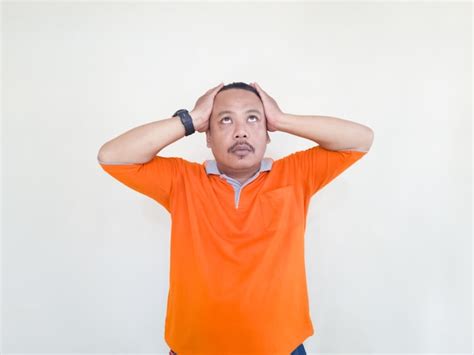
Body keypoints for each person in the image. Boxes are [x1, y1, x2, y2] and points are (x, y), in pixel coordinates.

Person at [97, 82, 374, 355]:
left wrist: (281, 118)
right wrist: (190, 119)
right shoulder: (182, 181)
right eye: (226, 120)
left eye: (253, 119)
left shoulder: (296, 175)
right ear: (207, 135)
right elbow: (112, 156)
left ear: (267, 133)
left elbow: (360, 139)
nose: (241, 132)